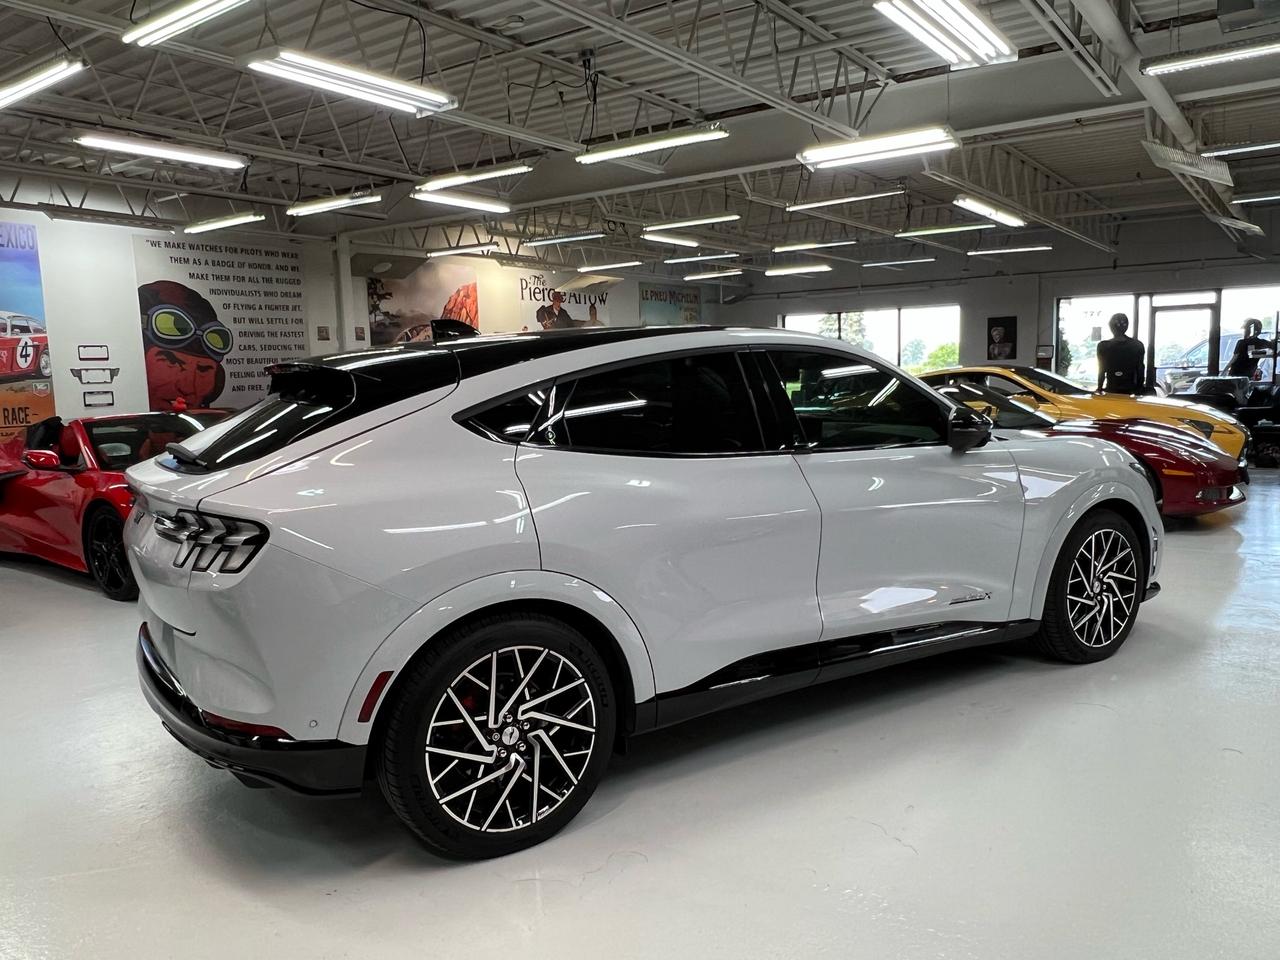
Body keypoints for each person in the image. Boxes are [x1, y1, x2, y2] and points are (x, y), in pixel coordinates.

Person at [1096, 312, 1146, 393]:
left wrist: (1099, 388)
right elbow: (1140, 370)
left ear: (1111, 327)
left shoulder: (1103, 346)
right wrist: (1139, 390)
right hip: (1131, 390)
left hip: (1111, 389)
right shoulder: (1137, 345)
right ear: (1126, 326)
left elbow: (1101, 370)